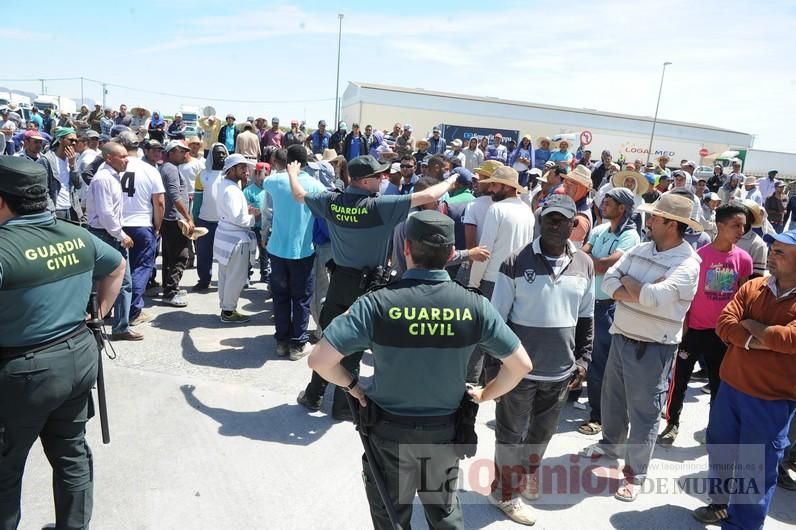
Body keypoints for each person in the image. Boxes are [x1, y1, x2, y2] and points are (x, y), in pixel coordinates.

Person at [307, 209, 532, 530]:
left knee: (391, 516)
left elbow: (319, 361)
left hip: (388, 433)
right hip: (444, 433)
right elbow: (521, 365)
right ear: (452, 254)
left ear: (407, 249)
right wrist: (484, 394)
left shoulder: (376, 304)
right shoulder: (475, 306)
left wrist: (353, 387)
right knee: (443, 513)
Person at [0, 156, 125, 530]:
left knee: (5, 470)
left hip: (24, 372)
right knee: (71, 453)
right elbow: (117, 265)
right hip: (78, 356)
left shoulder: (5, 246)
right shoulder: (76, 234)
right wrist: (99, 314)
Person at [290, 155, 459, 420]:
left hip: (339, 282)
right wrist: (452, 179)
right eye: (379, 176)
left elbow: (299, 195)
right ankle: (344, 407)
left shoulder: (331, 201)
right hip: (368, 285)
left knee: (329, 341)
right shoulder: (379, 207)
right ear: (366, 181)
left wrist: (292, 172)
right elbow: (428, 194)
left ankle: (314, 394)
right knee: (354, 347)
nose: (383, 179)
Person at [582, 193, 702, 501]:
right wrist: (640, 289)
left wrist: (633, 287)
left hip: (653, 347)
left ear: (672, 225)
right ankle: (610, 444)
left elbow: (653, 297)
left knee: (645, 413)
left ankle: (635, 474)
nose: (648, 220)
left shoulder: (687, 263)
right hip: (622, 334)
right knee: (612, 398)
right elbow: (609, 280)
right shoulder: (641, 248)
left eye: (656, 217)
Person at [489, 195, 594, 525]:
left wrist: (583, 360)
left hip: (560, 372)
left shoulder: (585, 265)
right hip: (519, 372)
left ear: (572, 225)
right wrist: (500, 366)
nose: (552, 224)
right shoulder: (515, 261)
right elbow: (496, 320)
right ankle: (504, 492)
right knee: (511, 434)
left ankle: (526, 476)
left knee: (541, 433)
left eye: (560, 219)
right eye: (548, 218)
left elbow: (586, 317)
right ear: (540, 220)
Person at [693, 228, 796, 528]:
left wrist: (751, 326)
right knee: (721, 449)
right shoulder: (754, 287)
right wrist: (758, 337)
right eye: (773, 249)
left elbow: (789, 340)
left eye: (780, 252)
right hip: (731, 390)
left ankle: (742, 525)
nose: (771, 256)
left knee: (756, 470)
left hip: (772, 401)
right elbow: (724, 323)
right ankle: (720, 505)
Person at [657, 203, 752, 446]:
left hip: (723, 335)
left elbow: (744, 298)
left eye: (744, 226)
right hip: (693, 331)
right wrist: (685, 323)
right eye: (736, 225)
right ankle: (672, 423)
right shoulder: (698, 257)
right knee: (678, 382)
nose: (741, 230)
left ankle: (716, 429)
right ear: (720, 226)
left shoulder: (744, 260)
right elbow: (686, 294)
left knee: (720, 386)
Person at [578, 188, 640, 436]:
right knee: (583, 355)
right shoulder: (599, 229)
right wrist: (592, 260)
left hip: (609, 308)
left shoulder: (630, 237)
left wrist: (592, 259)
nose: (603, 205)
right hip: (587, 304)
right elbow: (580, 257)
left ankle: (599, 416)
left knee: (600, 364)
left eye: (609, 202)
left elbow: (603, 265)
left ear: (622, 208)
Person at [266, 146, 326, 357]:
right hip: (302, 251)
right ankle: (298, 344)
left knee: (280, 296)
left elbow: (268, 179)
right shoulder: (316, 186)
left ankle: (281, 341)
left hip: (277, 249)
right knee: (301, 298)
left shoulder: (274, 181)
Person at [85, 142, 143, 341]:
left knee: (121, 283)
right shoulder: (103, 179)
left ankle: (119, 326)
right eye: (122, 156)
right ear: (109, 158)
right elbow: (106, 214)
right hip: (104, 235)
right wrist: (121, 235)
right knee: (102, 282)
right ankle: (93, 324)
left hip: (110, 233)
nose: (127, 160)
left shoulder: (112, 177)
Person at [118, 132, 165, 327]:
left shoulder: (112, 167)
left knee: (118, 270)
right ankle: (133, 311)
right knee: (141, 268)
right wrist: (157, 226)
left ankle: (117, 309)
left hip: (117, 225)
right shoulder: (149, 169)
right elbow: (160, 202)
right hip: (141, 224)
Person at [213, 154, 257, 323]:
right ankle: (229, 311)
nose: (246, 170)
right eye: (241, 167)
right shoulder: (231, 189)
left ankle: (226, 308)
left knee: (225, 276)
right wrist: (253, 217)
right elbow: (239, 219)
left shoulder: (226, 185)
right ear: (231, 170)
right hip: (235, 239)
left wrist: (246, 211)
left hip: (226, 236)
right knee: (235, 278)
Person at [160, 140, 194, 307]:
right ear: (172, 152)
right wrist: (187, 217)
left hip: (170, 218)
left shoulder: (168, 168)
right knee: (181, 256)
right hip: (175, 219)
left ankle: (169, 288)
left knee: (169, 256)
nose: (185, 154)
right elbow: (175, 195)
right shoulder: (171, 169)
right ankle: (171, 292)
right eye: (182, 151)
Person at [37, 128, 84, 222]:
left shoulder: (73, 158)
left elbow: (78, 185)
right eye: (71, 140)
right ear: (60, 140)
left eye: (76, 140)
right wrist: (50, 210)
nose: (74, 143)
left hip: (72, 209)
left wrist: (73, 166)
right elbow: (43, 189)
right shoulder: (46, 160)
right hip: (55, 210)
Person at [244, 161, 270, 283]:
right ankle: (246, 274)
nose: (263, 176)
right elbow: (244, 208)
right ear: (256, 173)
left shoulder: (271, 190)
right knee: (250, 252)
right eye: (261, 173)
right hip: (253, 226)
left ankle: (265, 273)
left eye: (266, 173)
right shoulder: (248, 190)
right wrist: (254, 213)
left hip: (266, 226)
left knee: (265, 251)